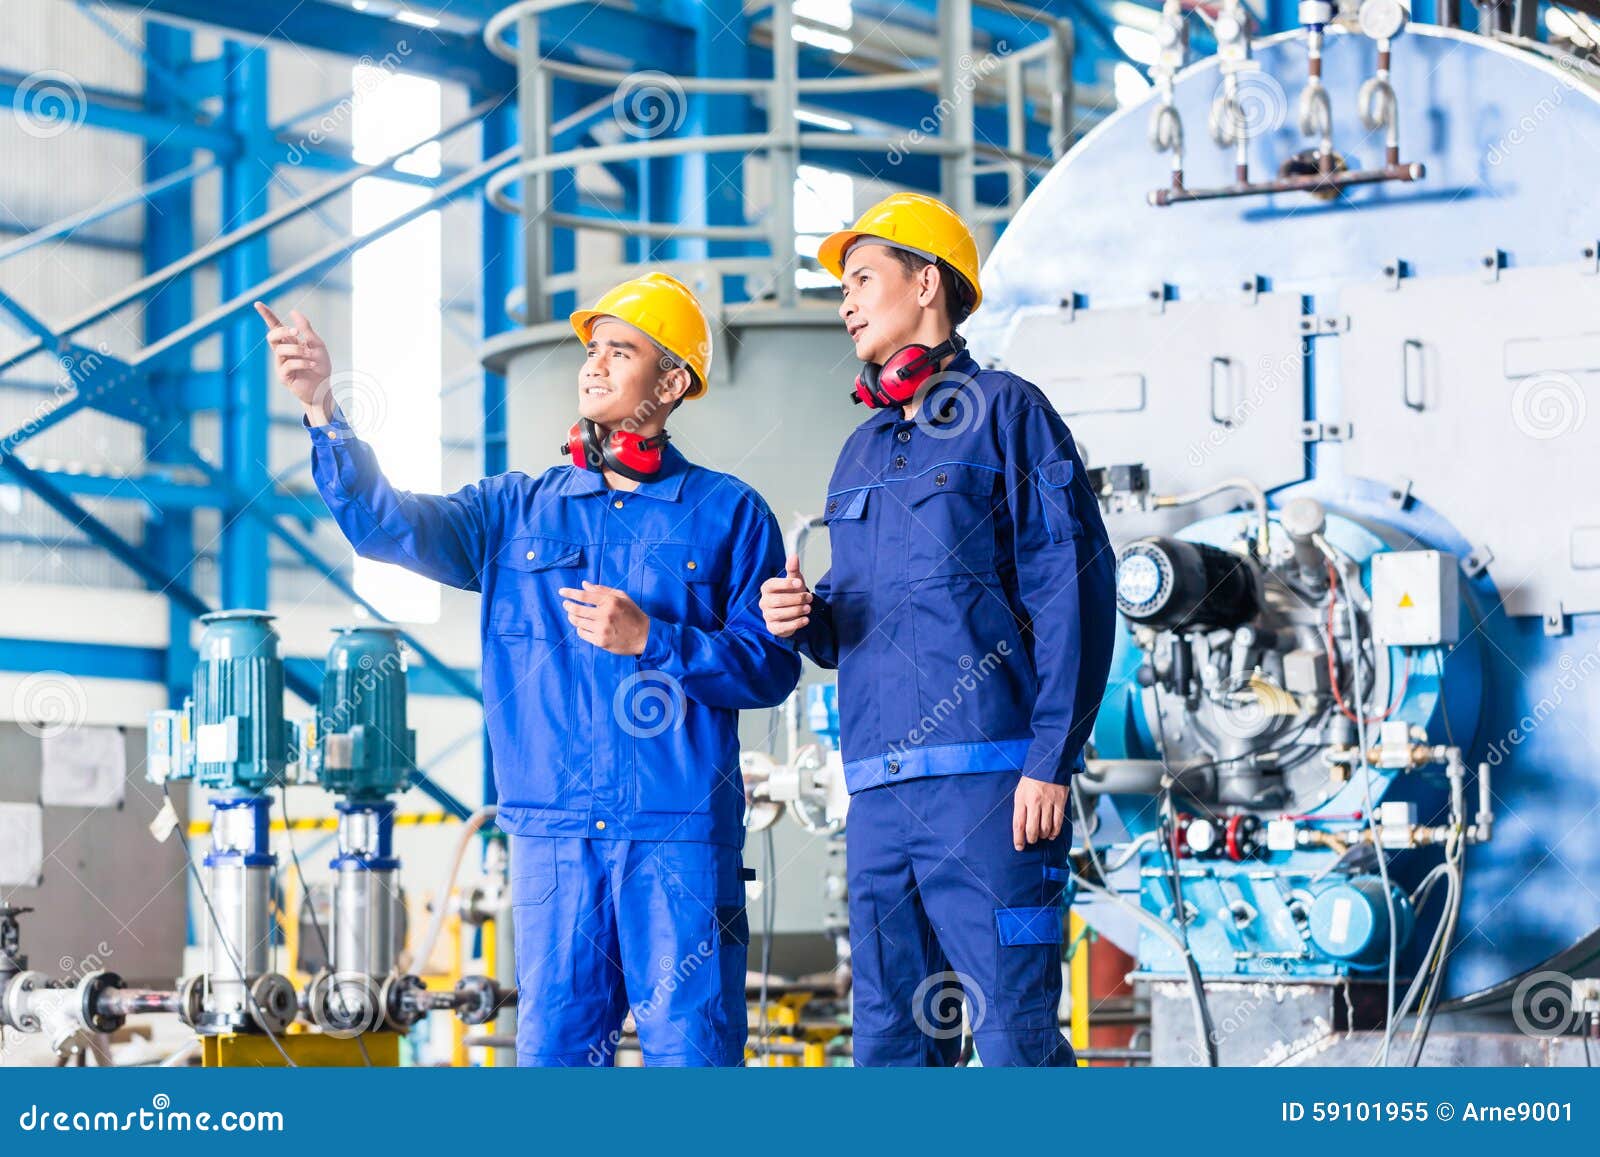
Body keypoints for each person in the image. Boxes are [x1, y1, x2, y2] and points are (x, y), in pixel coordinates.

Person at [258, 271, 799, 1067]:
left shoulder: (728, 513)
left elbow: (768, 667)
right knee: (553, 1062)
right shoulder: (513, 511)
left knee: (694, 1060)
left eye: (622, 350)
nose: (595, 365)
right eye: (592, 348)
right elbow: (385, 528)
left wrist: (656, 637)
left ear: (674, 380)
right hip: (553, 841)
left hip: (678, 840)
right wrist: (321, 410)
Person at [759, 193, 1116, 1067]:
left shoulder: (1007, 411)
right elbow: (857, 622)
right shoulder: (862, 452)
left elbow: (1075, 584)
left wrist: (1049, 757)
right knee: (889, 1038)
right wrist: (806, 620)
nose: (844, 302)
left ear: (927, 284)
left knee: (1013, 1034)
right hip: (877, 791)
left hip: (991, 784)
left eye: (861, 279)